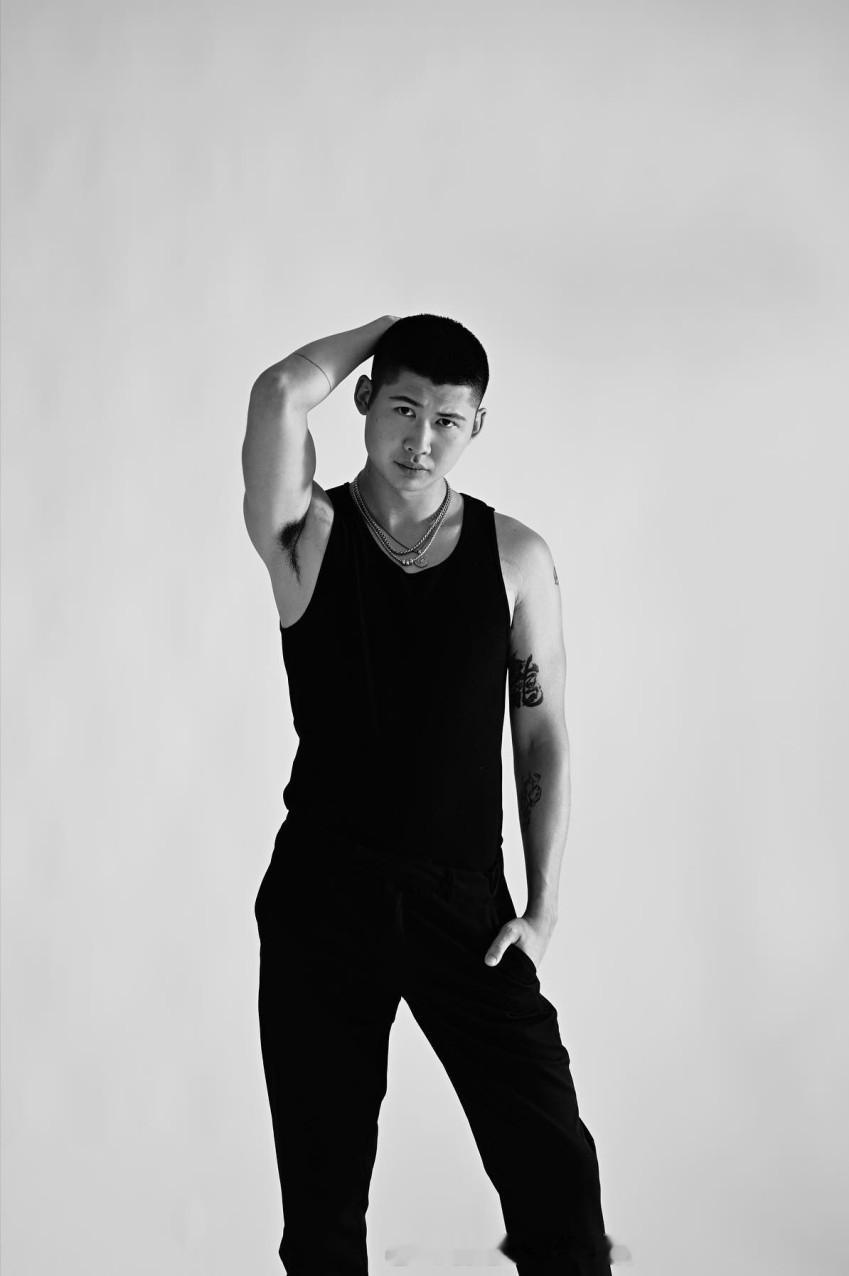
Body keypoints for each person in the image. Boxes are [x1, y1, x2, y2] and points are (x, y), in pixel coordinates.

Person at [241, 314, 615, 1275]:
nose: (422, 440)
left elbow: (541, 732)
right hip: (323, 897)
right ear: (365, 400)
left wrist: (542, 907)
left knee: (556, 1177)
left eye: (448, 420)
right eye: (403, 409)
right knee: (323, 1205)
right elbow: (280, 392)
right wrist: (383, 328)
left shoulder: (515, 556)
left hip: (464, 904)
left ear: (476, 426)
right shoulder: (308, 536)